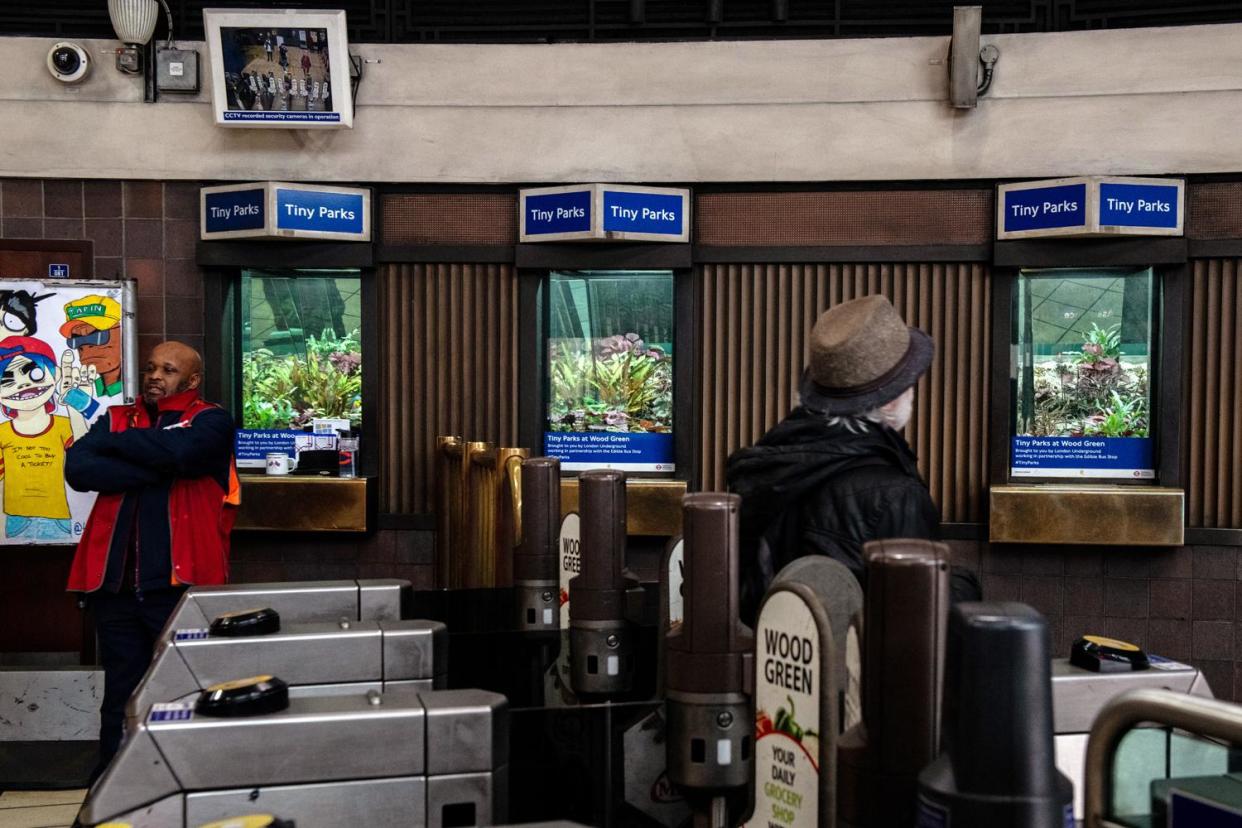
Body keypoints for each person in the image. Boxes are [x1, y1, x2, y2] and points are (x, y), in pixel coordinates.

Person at [726, 294, 981, 623]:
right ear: (891, 402)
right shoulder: (896, 496)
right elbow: (918, 620)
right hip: (854, 671)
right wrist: (962, 583)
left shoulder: (765, 464)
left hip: (773, 662)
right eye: (909, 383)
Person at [65, 341, 238, 779]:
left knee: (182, 688)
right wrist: (157, 461)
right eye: (149, 368)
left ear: (192, 380)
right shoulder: (117, 416)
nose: (155, 376)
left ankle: (182, 781)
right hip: (115, 585)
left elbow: (184, 454)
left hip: (179, 588)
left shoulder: (211, 421)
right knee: (121, 690)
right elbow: (80, 470)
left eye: (168, 369)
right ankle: (113, 782)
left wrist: (123, 448)